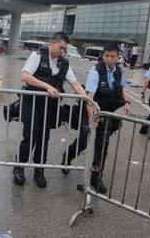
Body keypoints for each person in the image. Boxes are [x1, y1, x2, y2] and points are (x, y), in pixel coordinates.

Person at [13, 32, 87, 188]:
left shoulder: (64, 63)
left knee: (44, 138)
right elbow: (25, 76)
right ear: (52, 42)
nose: (63, 51)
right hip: (32, 102)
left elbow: (75, 84)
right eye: (61, 47)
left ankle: (39, 171)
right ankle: (19, 167)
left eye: (65, 49)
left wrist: (89, 100)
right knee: (30, 135)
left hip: (49, 106)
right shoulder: (38, 55)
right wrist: (47, 86)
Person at [61, 41, 130, 193]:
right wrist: (94, 119)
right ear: (103, 56)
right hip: (90, 111)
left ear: (118, 57)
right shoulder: (96, 71)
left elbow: (123, 86)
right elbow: (89, 97)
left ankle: (96, 177)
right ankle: (68, 157)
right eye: (106, 56)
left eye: (112, 56)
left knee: (102, 146)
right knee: (85, 140)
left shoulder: (118, 71)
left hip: (107, 113)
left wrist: (126, 102)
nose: (109, 59)